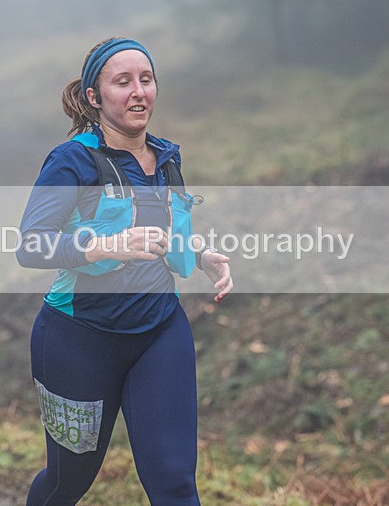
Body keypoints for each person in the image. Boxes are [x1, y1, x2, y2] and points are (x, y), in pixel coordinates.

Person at [17, 38, 232, 505]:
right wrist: (101, 246)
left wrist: (197, 255)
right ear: (94, 97)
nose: (139, 92)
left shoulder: (166, 157)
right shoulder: (71, 160)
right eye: (123, 82)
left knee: (175, 481)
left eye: (146, 79)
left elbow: (157, 231)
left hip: (159, 330)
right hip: (77, 338)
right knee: (67, 481)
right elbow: (31, 246)